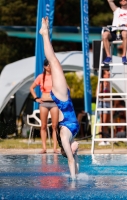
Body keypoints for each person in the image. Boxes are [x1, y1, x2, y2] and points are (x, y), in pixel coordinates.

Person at [39, 17, 79, 180]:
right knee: (55, 62)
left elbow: (70, 159)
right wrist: (77, 174)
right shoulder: (71, 136)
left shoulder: (64, 137)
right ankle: (44, 34)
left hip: (62, 100)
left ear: (66, 148)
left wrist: (73, 182)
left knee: (54, 61)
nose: (77, 149)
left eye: (72, 149)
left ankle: (44, 34)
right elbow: (75, 160)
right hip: (63, 98)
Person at [30, 59, 59, 154]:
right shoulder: (41, 77)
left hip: (54, 103)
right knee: (43, 125)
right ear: (45, 66)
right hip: (44, 103)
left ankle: (55, 148)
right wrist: (36, 98)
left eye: (51, 65)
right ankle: (44, 148)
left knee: (55, 126)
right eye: (48, 65)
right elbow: (31, 88)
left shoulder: (56, 76)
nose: (50, 67)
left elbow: (65, 87)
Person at [103, 0, 127, 65]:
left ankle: (124, 56)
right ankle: (108, 56)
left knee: (124, 33)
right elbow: (110, 1)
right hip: (115, 31)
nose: (123, 0)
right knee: (105, 34)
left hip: (125, 31)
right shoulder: (117, 10)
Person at [97, 70, 111, 146]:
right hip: (103, 104)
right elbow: (97, 94)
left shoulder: (109, 83)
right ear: (104, 75)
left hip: (108, 104)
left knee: (106, 123)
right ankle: (101, 139)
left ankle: (105, 139)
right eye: (107, 73)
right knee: (103, 122)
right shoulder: (101, 83)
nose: (109, 74)